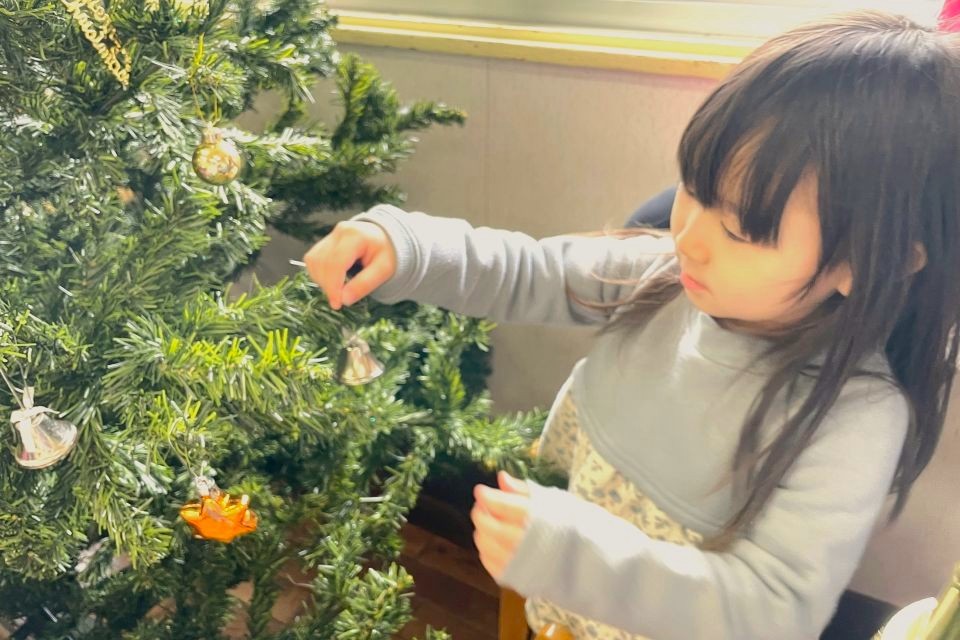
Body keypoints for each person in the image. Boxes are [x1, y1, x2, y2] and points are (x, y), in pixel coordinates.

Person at [302, 10, 960, 640]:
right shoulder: (663, 272)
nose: (689, 238)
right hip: (554, 591)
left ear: (870, 261)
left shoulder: (857, 416)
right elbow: (530, 271)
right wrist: (408, 247)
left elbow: (773, 609)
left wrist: (575, 558)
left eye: (739, 230)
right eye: (692, 189)